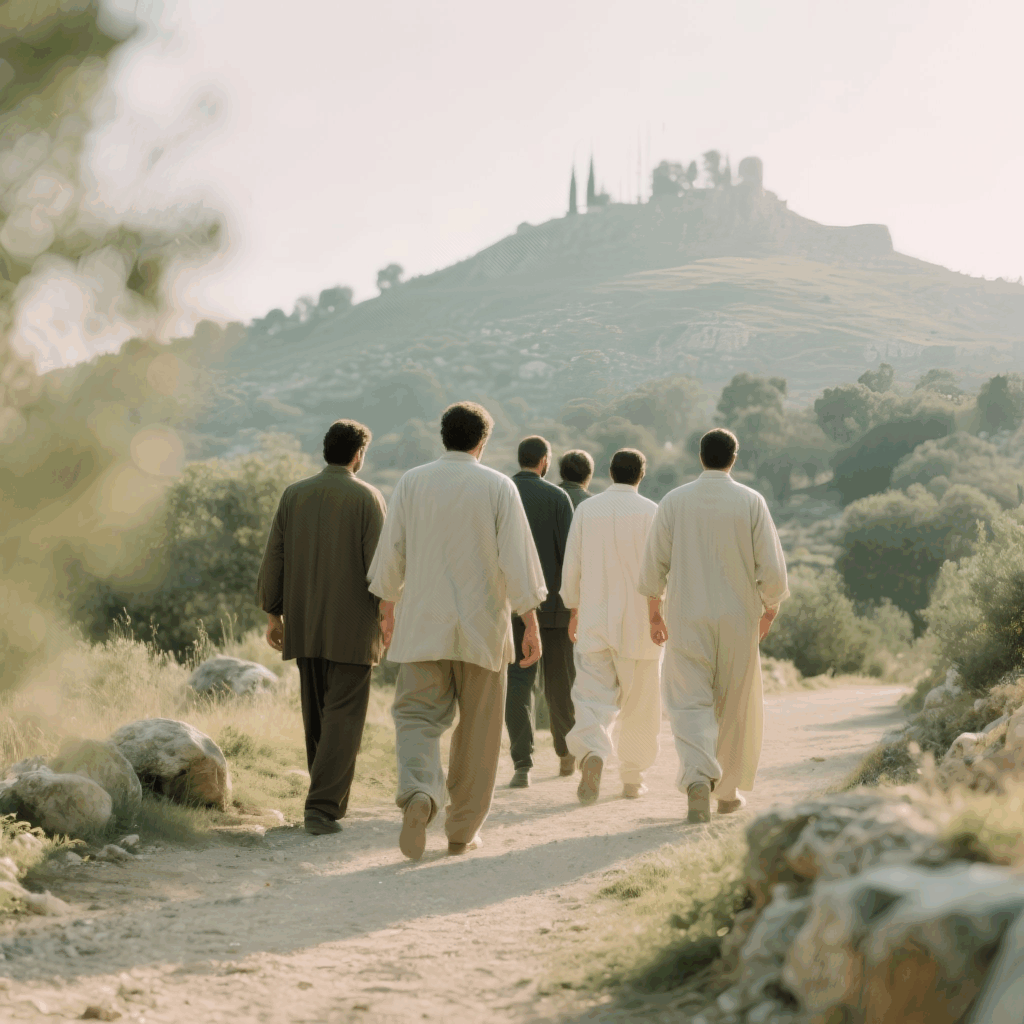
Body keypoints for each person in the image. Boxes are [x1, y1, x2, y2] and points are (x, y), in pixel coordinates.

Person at [367, 402, 546, 860]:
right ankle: (462, 830)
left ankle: (421, 794)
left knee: (416, 719)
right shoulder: (498, 486)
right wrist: (529, 621)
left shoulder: (412, 482)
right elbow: (518, 562)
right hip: (483, 627)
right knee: (481, 730)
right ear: (482, 441)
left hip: (423, 624)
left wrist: (387, 608)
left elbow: (392, 556)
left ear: (442, 435)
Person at [638, 428, 789, 824]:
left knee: (688, 702)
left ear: (700, 456)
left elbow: (654, 564)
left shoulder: (674, 502)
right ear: (733, 458)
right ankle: (727, 793)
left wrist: (655, 612)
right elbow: (771, 570)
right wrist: (769, 609)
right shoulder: (751, 501)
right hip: (739, 617)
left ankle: (697, 779)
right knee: (734, 703)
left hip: (686, 616)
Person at [257, 419, 386, 836]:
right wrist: (389, 616)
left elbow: (274, 556)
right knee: (344, 717)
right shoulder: (367, 497)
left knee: (317, 715)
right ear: (358, 454)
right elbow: (380, 569)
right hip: (353, 625)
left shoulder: (294, 495)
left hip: (306, 622)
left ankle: (321, 802)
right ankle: (322, 808)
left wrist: (273, 613)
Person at [561, 448, 662, 805]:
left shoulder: (587, 510)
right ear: (641, 474)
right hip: (640, 626)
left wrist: (572, 607)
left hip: (594, 619)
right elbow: (664, 571)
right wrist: (661, 616)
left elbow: (572, 565)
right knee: (641, 702)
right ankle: (633, 778)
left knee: (591, 696)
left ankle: (593, 754)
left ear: (610, 472)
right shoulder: (653, 512)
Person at [504, 435, 577, 789]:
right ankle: (566, 753)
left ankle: (522, 763)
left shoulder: (503, 493)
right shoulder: (558, 497)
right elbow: (570, 557)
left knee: (518, 684)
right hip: (555, 609)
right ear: (545, 461)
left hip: (514, 607)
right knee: (560, 682)